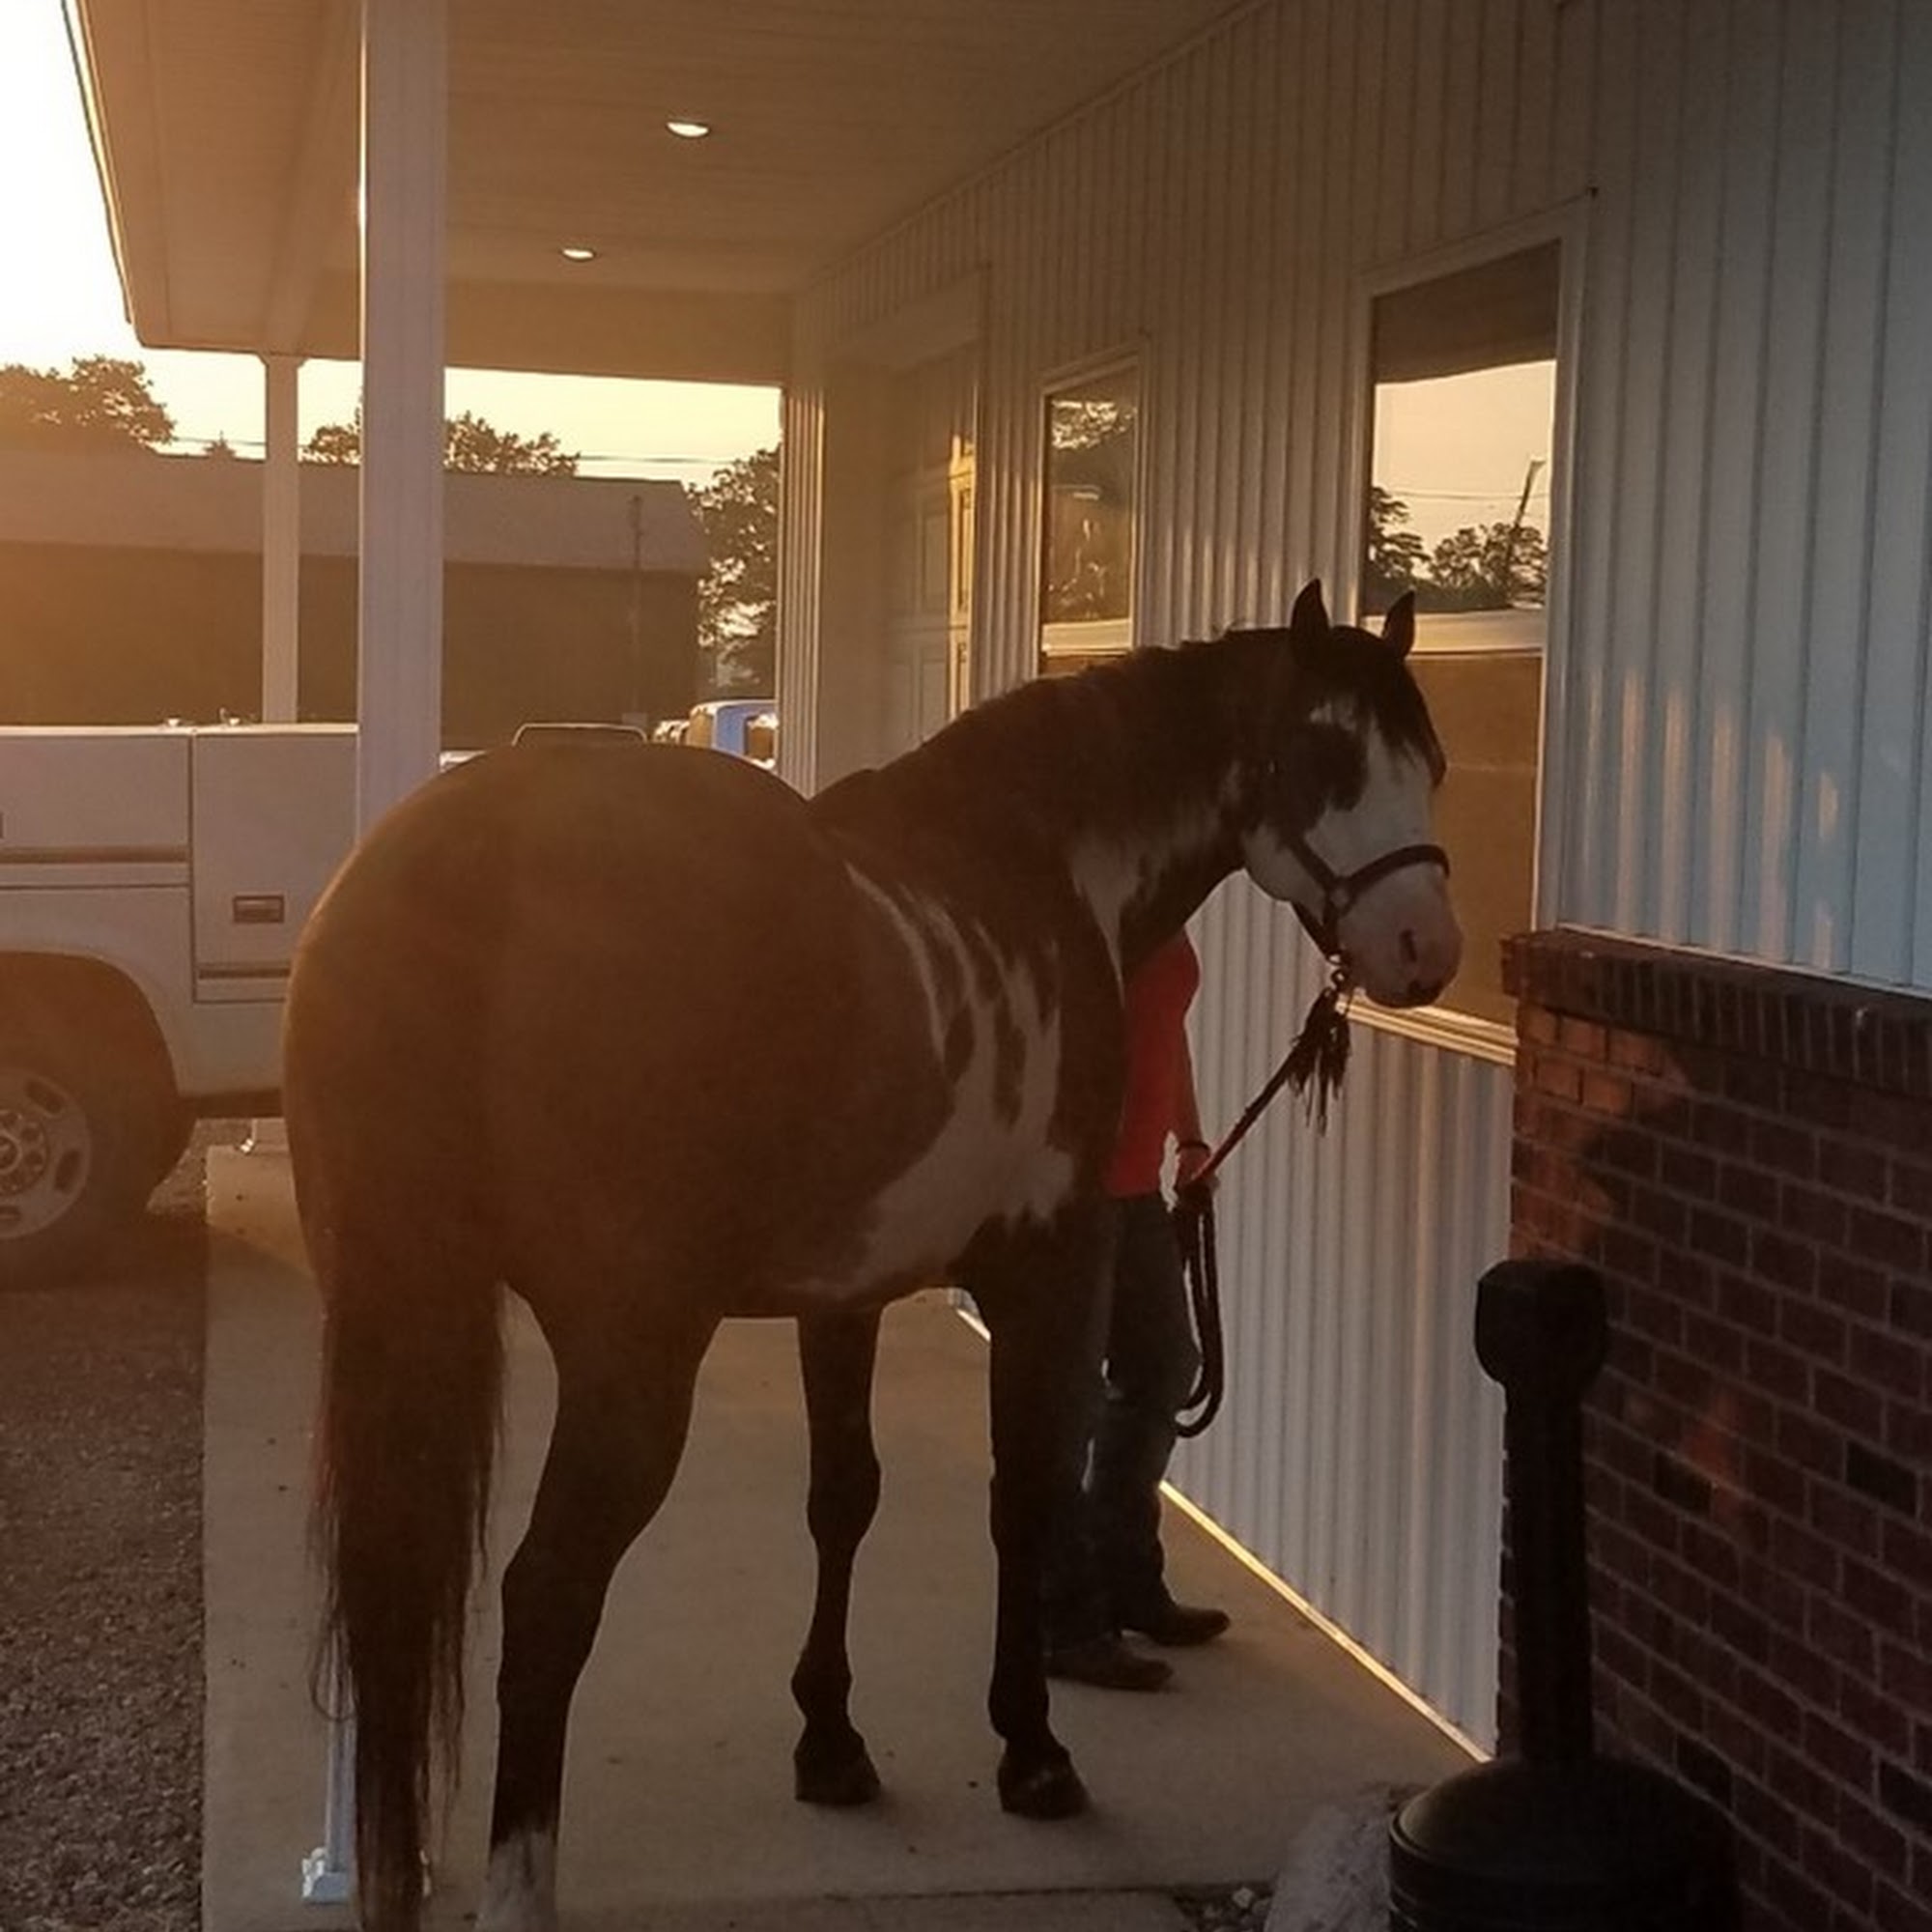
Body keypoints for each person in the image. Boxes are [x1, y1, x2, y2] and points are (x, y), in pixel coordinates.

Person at [1043, 929, 1232, 1691]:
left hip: (1135, 1188)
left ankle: (1125, 1574)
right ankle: (1062, 1619)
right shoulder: (1084, 904)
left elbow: (1165, 1027)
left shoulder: (1167, 907)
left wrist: (1189, 1137)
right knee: (1065, 1403)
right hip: (1070, 1195)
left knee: (1163, 1366)